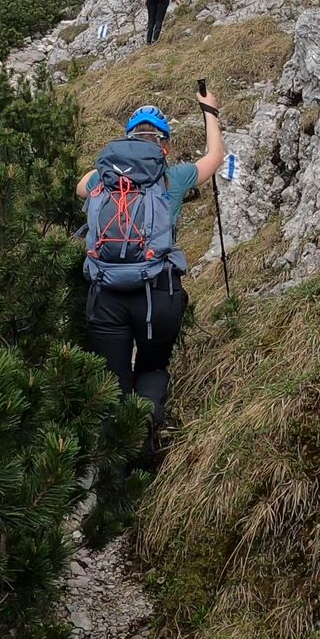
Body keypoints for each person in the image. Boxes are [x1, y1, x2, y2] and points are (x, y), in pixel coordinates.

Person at [77, 90, 225, 453]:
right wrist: (210, 110)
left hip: (106, 296)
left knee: (113, 381)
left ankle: (116, 463)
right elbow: (215, 157)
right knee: (152, 367)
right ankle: (147, 441)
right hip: (159, 294)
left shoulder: (102, 181)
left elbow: (81, 186)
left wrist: (113, 166)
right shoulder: (173, 177)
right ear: (165, 147)